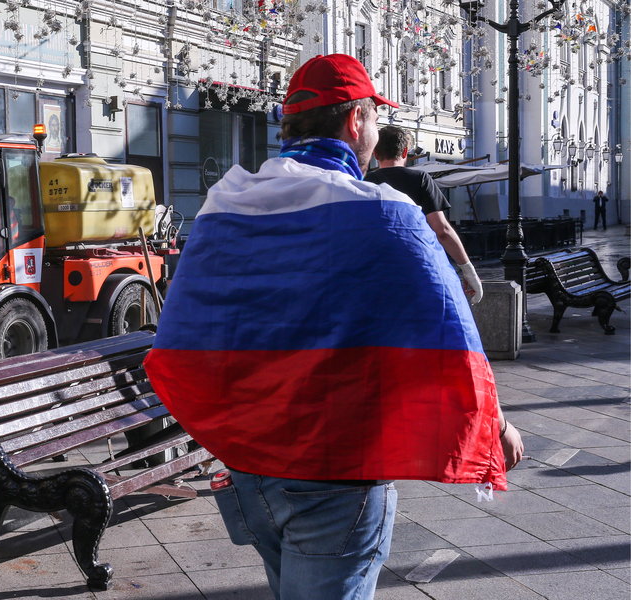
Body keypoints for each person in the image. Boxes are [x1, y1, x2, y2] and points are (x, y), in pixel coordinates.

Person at [144, 53, 523, 600]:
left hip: (251, 468)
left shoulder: (226, 204)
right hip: (335, 472)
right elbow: (448, 329)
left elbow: (184, 332)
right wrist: (496, 424)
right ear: (356, 122)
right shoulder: (385, 212)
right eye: (373, 117)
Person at [365, 126, 483, 304]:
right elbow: (442, 230)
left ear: (375, 153)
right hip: (416, 265)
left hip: (377, 268)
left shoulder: (365, 182)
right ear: (406, 151)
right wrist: (467, 269)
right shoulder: (420, 179)